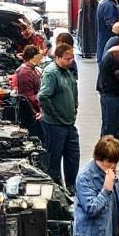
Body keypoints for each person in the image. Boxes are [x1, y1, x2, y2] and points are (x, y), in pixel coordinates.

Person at [38, 42, 80, 190]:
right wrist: (55, 116)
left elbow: (73, 88)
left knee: (73, 156)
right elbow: (43, 97)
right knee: (54, 159)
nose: (71, 61)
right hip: (54, 125)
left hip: (68, 123)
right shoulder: (51, 73)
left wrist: (74, 105)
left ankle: (71, 185)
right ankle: (56, 188)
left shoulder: (67, 71)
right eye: (67, 58)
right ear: (58, 57)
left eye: (72, 58)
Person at [14, 45, 43, 116]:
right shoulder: (25, 72)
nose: (40, 59)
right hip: (32, 111)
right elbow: (28, 96)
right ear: (33, 58)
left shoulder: (33, 69)